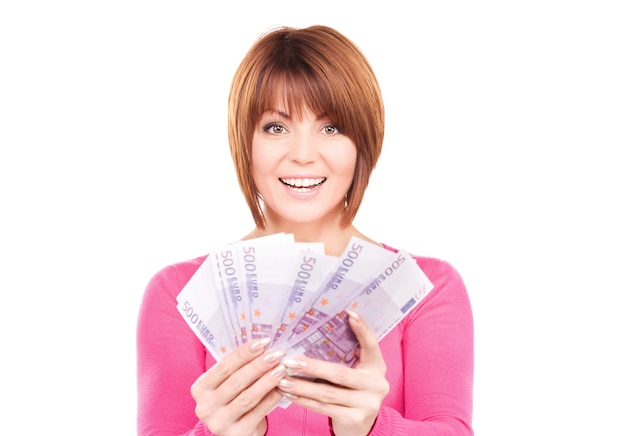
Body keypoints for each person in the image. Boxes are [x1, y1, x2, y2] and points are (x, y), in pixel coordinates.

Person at [137, 25, 474, 436]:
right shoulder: (178, 293)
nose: (302, 155)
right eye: (276, 127)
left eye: (331, 127)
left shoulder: (427, 287)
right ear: (244, 140)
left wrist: (371, 426)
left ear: (364, 141)